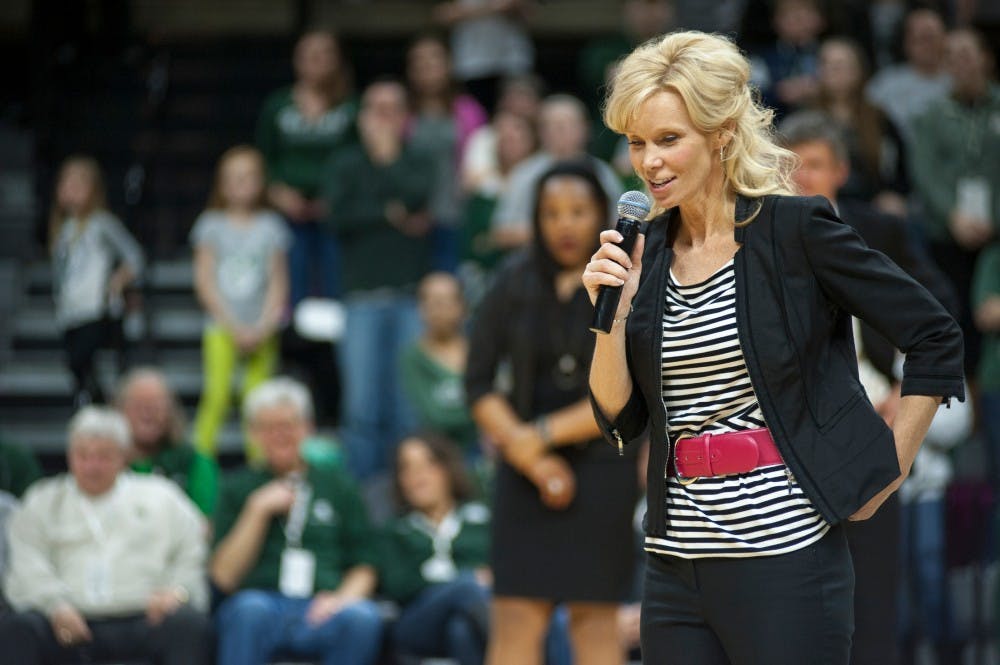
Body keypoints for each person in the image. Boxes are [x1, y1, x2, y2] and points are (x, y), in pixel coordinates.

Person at [584, 31, 964, 664]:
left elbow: (934, 334)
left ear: (722, 134)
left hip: (787, 555)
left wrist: (889, 469)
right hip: (676, 563)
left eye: (668, 139)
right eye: (637, 142)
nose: (649, 161)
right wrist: (614, 318)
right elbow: (619, 419)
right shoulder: (642, 251)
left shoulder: (794, 229)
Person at [781, 110, 960, 665]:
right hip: (796, 421)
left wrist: (904, 387)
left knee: (873, 589)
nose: (801, 177)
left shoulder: (877, 228)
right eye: (790, 165)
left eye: (813, 165)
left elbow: (937, 309)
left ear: (839, 170)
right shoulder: (762, 234)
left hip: (873, 404)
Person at [467, 160, 639, 665]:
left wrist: (538, 436)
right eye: (551, 213)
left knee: (595, 625)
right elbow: (477, 383)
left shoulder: (629, 281)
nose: (564, 224)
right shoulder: (511, 281)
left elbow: (630, 395)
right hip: (523, 475)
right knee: (516, 619)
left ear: (602, 216)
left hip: (604, 468)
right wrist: (533, 459)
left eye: (578, 211)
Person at [0, 406, 211, 665]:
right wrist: (54, 605)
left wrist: (177, 592)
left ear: (123, 457)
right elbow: (26, 561)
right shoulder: (42, 500)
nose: (92, 466)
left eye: (103, 456)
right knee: (20, 628)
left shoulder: (162, 496)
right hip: (66, 620)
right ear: (69, 455)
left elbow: (191, 550)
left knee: (188, 624)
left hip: (143, 616)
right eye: (83, 456)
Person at [210, 377, 383, 665]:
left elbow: (365, 565)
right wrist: (256, 511)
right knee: (247, 610)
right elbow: (223, 578)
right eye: (269, 428)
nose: (280, 435)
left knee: (362, 617)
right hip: (262, 604)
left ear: (308, 428)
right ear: (253, 434)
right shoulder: (237, 487)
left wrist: (340, 599)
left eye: (289, 425)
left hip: (321, 604)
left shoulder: (339, 485)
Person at [320, 78, 435, 480]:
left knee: (408, 408)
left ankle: (408, 498)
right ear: (362, 116)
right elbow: (337, 217)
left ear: (405, 117)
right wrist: (389, 214)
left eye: (392, 109)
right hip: (361, 298)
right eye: (375, 109)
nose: (383, 119)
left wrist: (387, 159)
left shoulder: (417, 157)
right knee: (362, 409)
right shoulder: (345, 162)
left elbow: (420, 196)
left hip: (410, 299)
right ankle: (363, 504)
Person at [910, 27, 999, 378]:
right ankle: (966, 406)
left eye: (967, 53)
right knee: (955, 317)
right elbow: (925, 172)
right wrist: (952, 216)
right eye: (951, 56)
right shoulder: (932, 115)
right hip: (947, 235)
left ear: (986, 58)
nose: (960, 63)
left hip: (996, 236)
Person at [190, 145, 290, 460]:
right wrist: (234, 326)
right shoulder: (210, 224)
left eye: (248, 177)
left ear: (261, 182)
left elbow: (278, 281)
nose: (240, 184)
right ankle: (199, 479)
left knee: (259, 405)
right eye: (232, 178)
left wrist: (263, 325)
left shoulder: (272, 226)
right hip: (221, 327)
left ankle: (259, 475)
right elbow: (204, 282)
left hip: (262, 329)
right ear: (221, 183)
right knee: (216, 398)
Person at [256, 28, 356, 305]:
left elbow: (359, 160)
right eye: (309, 54)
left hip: (336, 212)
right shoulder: (278, 105)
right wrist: (277, 193)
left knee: (336, 285)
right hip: (288, 211)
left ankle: (335, 344)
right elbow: (264, 158)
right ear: (296, 60)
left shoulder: (351, 106)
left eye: (325, 54)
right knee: (291, 284)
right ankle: (295, 343)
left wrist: (337, 198)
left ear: (338, 60)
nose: (317, 60)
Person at [378, 432, 491, 665]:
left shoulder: (481, 518)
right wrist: (460, 581)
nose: (417, 476)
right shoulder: (394, 530)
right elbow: (397, 586)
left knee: (461, 630)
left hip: (470, 616)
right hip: (416, 623)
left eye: (427, 464)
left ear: (447, 469)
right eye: (406, 468)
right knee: (468, 587)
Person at [49, 155, 144, 407]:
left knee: (88, 362)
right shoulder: (64, 229)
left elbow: (135, 257)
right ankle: (90, 408)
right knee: (77, 369)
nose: (71, 191)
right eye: (66, 184)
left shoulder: (103, 224)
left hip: (96, 309)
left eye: (78, 185)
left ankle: (104, 406)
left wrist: (117, 281)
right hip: (70, 311)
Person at [491, 94, 624, 250]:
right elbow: (501, 232)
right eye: (553, 125)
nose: (561, 131)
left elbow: (618, 223)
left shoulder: (602, 173)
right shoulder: (524, 174)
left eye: (568, 124)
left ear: (585, 129)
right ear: (541, 132)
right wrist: (555, 231)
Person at [813, 36, 908, 214]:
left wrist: (893, 193)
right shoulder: (805, 118)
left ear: (858, 71)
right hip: (820, 202)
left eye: (841, 65)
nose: (834, 71)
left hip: (871, 204)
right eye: (828, 65)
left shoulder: (878, 117)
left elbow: (900, 166)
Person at [115, 366, 219, 515]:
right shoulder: (103, 462)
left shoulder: (195, 463)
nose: (147, 414)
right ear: (119, 409)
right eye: (138, 405)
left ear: (171, 412)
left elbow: (204, 523)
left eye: (156, 406)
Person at [401, 273, 479, 455]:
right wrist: (481, 412)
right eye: (430, 302)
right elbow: (435, 417)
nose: (437, 309)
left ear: (463, 307)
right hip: (437, 453)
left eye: (444, 301)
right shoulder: (413, 357)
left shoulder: (480, 351)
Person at [865, 8, 951, 146]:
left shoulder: (958, 83)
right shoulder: (885, 83)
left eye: (931, 38)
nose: (927, 46)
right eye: (919, 39)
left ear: (945, 40)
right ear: (907, 44)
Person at [432, 0, 535, 113]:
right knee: (474, 117)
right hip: (471, 65)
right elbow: (441, 15)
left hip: (511, 61)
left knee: (517, 116)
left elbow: (530, 15)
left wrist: (512, 6)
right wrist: (492, 8)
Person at [749, 0, 825, 119]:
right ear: (775, 21)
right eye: (789, 13)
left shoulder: (834, 53)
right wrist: (779, 93)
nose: (798, 19)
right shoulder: (761, 59)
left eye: (806, 11)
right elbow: (750, 99)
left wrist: (823, 88)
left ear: (820, 19)